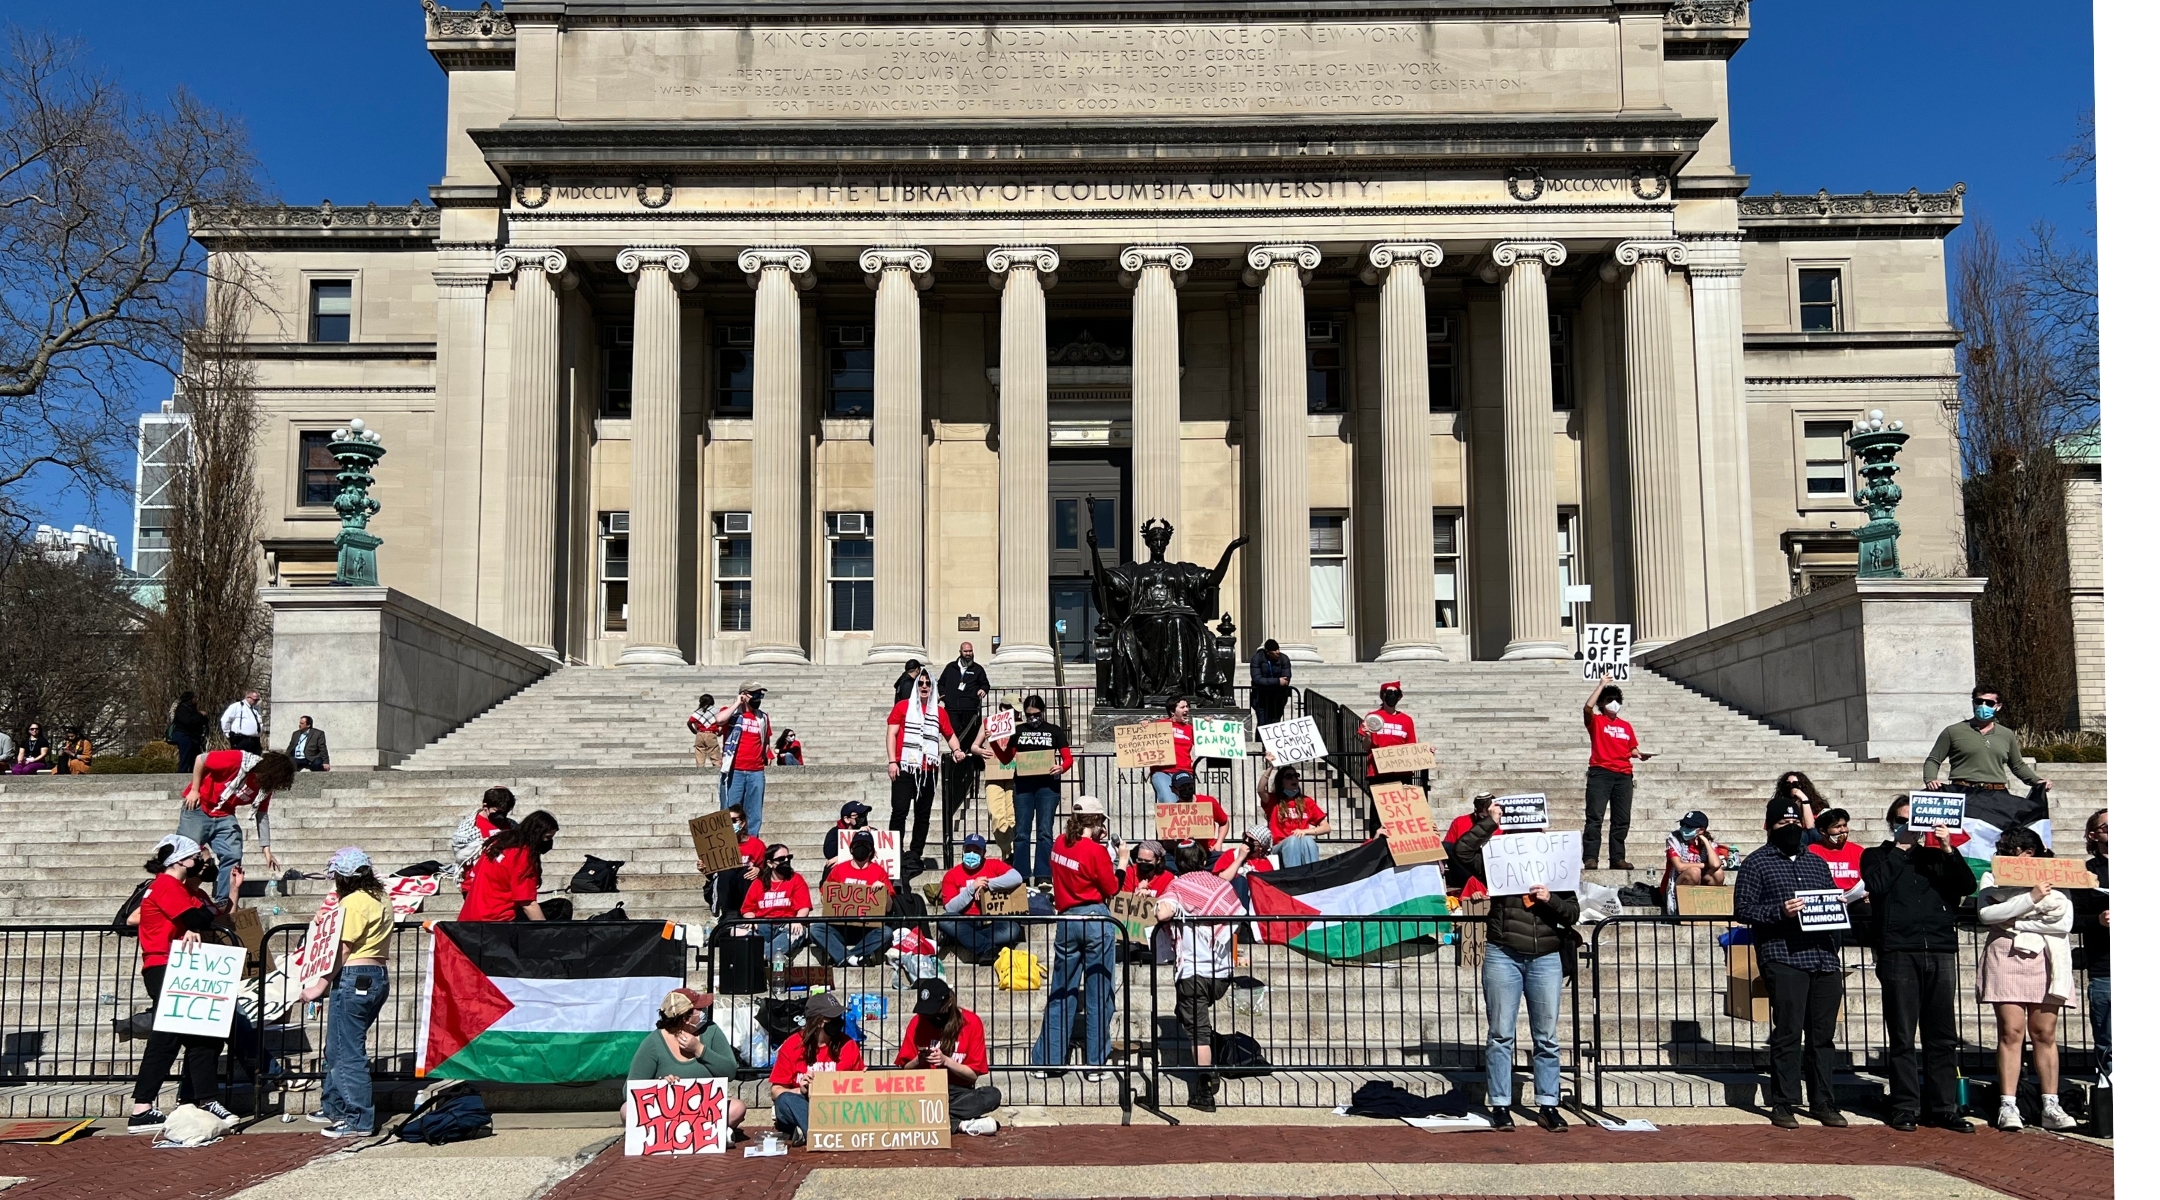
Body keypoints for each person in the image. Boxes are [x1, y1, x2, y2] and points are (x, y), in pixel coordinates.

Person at [1451, 807, 1575, 1133]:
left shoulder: (1556, 866)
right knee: (1500, 1034)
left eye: (1535, 833)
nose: (1529, 838)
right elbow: (1462, 851)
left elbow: (1572, 913)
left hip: (1546, 956)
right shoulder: (1498, 862)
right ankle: (1501, 1104)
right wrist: (1491, 822)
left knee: (1546, 1037)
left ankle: (1549, 1104)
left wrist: (1550, 899)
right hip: (1503, 954)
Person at [1859, 799, 1978, 1133]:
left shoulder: (1936, 855)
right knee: (1902, 1035)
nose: (1907, 825)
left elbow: (1967, 887)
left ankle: (1943, 1106)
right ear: (1891, 822)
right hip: (1898, 950)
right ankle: (1904, 1105)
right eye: (1901, 820)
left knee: (1942, 1036)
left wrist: (1946, 848)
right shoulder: (1877, 854)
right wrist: (1900, 847)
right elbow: (1876, 885)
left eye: (1914, 821)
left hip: (1939, 947)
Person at [1734, 796, 1850, 1129]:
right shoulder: (1756, 863)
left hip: (1823, 957)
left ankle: (1823, 1101)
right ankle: (1783, 1102)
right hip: (1783, 955)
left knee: (1823, 1036)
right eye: (1784, 824)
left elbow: (1830, 901)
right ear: (1768, 826)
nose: (1791, 829)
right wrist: (1779, 912)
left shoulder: (1816, 862)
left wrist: (1840, 904)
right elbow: (1743, 909)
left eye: (1796, 824)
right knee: (1787, 1032)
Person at [125, 835, 238, 1133]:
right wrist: (196, 922)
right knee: (168, 1036)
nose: (200, 863)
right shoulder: (166, 885)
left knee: (202, 1033)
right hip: (164, 964)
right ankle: (143, 1107)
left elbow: (203, 914)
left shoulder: (171, 886)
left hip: (174, 964)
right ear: (181, 861)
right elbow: (197, 915)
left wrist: (200, 919)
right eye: (195, 858)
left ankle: (203, 1099)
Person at [1975, 825, 2076, 1132]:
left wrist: (2014, 918)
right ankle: (2008, 1103)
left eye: (2009, 850)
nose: (2002, 856)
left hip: (2047, 957)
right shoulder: (1992, 876)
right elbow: (1987, 915)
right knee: (2011, 1031)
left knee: (2044, 1032)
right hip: (2006, 956)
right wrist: (2031, 899)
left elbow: (2064, 921)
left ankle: (2050, 1104)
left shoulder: (2057, 875)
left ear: (2029, 854)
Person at [301, 847, 393, 1138]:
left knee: (346, 1051)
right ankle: (335, 1105)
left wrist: (320, 984)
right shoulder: (380, 898)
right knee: (339, 1046)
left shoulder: (353, 902)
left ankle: (358, 1118)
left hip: (354, 976)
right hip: (376, 975)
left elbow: (343, 946)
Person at [1030, 796, 1119, 1078]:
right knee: (1098, 993)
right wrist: (1123, 860)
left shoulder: (1059, 842)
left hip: (1067, 919)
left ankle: (1048, 1062)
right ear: (1097, 822)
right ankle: (1095, 1064)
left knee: (1061, 992)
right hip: (1095, 918)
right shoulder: (1096, 852)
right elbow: (1112, 886)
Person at [1156, 843, 1243, 1111]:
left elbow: (1163, 913)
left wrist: (1162, 904)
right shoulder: (1220, 885)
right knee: (1187, 1015)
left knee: (1198, 1031)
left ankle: (1205, 1087)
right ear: (1204, 859)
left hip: (1194, 970)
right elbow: (1236, 915)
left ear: (1178, 862)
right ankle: (1210, 1058)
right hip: (1221, 971)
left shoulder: (1178, 885)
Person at [623, 988, 750, 1146]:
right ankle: (701, 1134)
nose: (704, 1012)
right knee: (626, 1109)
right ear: (685, 1017)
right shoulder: (654, 1042)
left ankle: (693, 1134)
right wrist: (659, 1086)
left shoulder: (711, 1031)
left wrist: (699, 1049)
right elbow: (629, 1090)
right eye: (699, 1009)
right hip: (667, 1113)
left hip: (704, 1109)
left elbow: (730, 1071)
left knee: (737, 1108)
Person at [180, 748, 295, 904]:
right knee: (186, 855)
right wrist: (194, 789)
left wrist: (266, 850)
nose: (273, 787)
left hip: (224, 814)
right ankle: (176, 893)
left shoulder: (264, 789)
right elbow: (201, 759)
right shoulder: (238, 760)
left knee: (233, 854)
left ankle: (224, 902)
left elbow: (262, 815)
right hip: (200, 806)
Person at [895, 978, 1003, 1136]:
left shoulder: (971, 1023)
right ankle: (961, 1125)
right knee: (900, 1102)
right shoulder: (918, 1022)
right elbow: (904, 1068)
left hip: (957, 1093)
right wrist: (919, 1060)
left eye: (935, 1010)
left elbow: (972, 1076)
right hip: (925, 1090)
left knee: (992, 1095)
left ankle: (932, 1116)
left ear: (949, 1003)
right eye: (927, 1011)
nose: (930, 1016)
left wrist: (947, 1061)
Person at [986, 695, 1072, 887]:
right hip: (1023, 787)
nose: (1033, 718)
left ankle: (1043, 874)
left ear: (1043, 712)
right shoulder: (1018, 730)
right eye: (1029, 715)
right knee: (1022, 832)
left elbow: (1068, 758)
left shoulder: (1054, 731)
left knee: (1044, 831)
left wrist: (1062, 768)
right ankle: (1021, 874)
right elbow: (1006, 758)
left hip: (1047, 788)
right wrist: (993, 741)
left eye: (1036, 714)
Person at [1923, 684, 2049, 805]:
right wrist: (1930, 779)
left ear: (1998, 706)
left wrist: (2036, 781)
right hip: (1963, 792)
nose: (1983, 706)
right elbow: (1933, 759)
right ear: (1973, 703)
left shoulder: (2006, 734)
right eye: (1979, 701)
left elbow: (2017, 765)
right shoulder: (1953, 731)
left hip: (1997, 794)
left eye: (1989, 703)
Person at [768, 991, 864, 1146]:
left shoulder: (848, 1045)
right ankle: (821, 1134)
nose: (838, 1021)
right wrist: (801, 1090)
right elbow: (775, 1091)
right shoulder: (792, 1045)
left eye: (838, 1017)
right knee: (785, 1100)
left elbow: (860, 1086)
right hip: (803, 1104)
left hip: (837, 1106)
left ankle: (809, 1133)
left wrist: (864, 1080)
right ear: (819, 1021)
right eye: (832, 1018)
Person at [887, 672, 960, 864]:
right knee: (899, 811)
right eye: (921, 683)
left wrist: (957, 750)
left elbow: (950, 735)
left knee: (923, 814)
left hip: (928, 770)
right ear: (916, 685)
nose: (924, 686)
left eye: (928, 683)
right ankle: (894, 852)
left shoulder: (939, 712)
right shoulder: (903, 707)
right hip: (905, 766)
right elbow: (891, 734)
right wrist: (892, 761)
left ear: (933, 686)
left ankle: (915, 853)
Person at [1581, 672, 1650, 870]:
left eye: (1617, 700)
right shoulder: (1597, 721)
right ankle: (1590, 857)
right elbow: (1587, 707)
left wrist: (1639, 754)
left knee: (1622, 819)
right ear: (1602, 703)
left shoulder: (1626, 725)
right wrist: (1602, 685)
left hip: (1623, 774)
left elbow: (1632, 748)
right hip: (1600, 772)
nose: (1614, 703)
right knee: (1595, 817)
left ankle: (1617, 858)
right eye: (1610, 700)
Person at [808, 830, 896, 966]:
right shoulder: (839, 869)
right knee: (815, 929)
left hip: (866, 929)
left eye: (865, 845)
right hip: (840, 927)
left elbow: (889, 907)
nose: (861, 847)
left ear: (871, 850)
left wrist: (883, 890)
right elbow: (825, 898)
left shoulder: (879, 871)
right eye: (858, 844)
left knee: (886, 933)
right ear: (851, 848)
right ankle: (853, 958)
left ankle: (844, 957)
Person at [458, 810, 559, 921]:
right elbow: (527, 903)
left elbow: (468, 882)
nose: (549, 842)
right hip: (497, 921)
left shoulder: (497, 844)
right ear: (536, 834)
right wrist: (545, 933)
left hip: (470, 917)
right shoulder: (522, 856)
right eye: (547, 838)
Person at [939, 833, 1026, 962]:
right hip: (965, 921)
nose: (971, 854)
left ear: (984, 852)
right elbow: (950, 908)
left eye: (976, 850)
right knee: (945, 920)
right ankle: (986, 947)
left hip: (991, 921)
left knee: (1012, 929)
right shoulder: (951, 875)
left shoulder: (994, 864)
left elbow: (1017, 877)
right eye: (968, 850)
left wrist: (988, 884)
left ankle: (964, 939)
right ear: (963, 850)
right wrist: (972, 888)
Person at [2070, 810, 2109, 1080]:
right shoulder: (2085, 872)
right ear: (2093, 835)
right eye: (2108, 826)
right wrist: (2098, 920)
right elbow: (2072, 920)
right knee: (2109, 1043)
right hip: (2106, 968)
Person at [714, 683, 777, 836]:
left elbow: (766, 740)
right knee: (729, 811)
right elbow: (719, 720)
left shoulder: (762, 717)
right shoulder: (731, 713)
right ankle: (729, 844)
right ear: (743, 694)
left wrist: (766, 755)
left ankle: (751, 843)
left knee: (754, 814)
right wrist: (737, 703)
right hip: (735, 770)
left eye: (760, 695)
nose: (758, 698)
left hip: (756, 771)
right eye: (754, 695)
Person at [937, 642, 992, 812]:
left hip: (970, 708)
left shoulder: (977, 669)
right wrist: (944, 695)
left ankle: (972, 763)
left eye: (970, 651)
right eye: (965, 651)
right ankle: (959, 760)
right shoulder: (950, 668)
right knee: (955, 735)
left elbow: (985, 684)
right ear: (960, 651)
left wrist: (983, 690)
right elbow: (941, 683)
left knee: (971, 736)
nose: (968, 653)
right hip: (952, 708)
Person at [742, 845, 812, 962]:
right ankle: (773, 953)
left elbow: (804, 907)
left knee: (797, 932)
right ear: (769, 863)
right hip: (764, 925)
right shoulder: (759, 883)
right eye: (781, 859)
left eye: (788, 858)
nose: (785, 861)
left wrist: (797, 920)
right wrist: (751, 920)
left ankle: (760, 956)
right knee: (736, 930)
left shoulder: (796, 878)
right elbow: (747, 909)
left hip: (788, 924)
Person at [1257, 755, 1328, 868]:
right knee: (1292, 841)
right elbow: (1260, 790)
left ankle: (1314, 877)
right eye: (1289, 776)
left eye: (1296, 775)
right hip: (1280, 847)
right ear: (1281, 781)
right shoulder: (1274, 800)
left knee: (1308, 841)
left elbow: (1326, 827)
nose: (1294, 779)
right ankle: (1294, 878)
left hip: (1302, 843)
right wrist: (1270, 767)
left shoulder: (1307, 801)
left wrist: (1305, 831)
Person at [452, 786, 518, 893]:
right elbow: (462, 854)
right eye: (497, 811)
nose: (501, 816)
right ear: (485, 806)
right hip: (475, 885)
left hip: (504, 885)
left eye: (505, 812)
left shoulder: (512, 825)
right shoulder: (469, 827)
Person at [1357, 680, 1420, 788]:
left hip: (1402, 772)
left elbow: (1411, 746)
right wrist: (1367, 735)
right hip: (1378, 771)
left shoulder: (1407, 719)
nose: (1392, 696)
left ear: (1399, 697)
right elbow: (1366, 747)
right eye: (1389, 692)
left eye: (1396, 693)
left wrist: (1426, 752)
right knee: (1377, 805)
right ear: (1383, 695)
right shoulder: (1373, 717)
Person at [1659, 811, 1727, 902]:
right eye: (1682, 824)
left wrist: (1706, 842)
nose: (1683, 828)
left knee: (1718, 873)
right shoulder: (1674, 839)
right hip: (1675, 885)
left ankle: (1707, 902)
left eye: (1689, 826)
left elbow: (1715, 865)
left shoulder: (1709, 843)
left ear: (1701, 830)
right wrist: (1705, 865)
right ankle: (1686, 906)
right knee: (1694, 872)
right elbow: (1679, 866)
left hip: (1700, 883)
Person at [1148, 697, 1198, 806]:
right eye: (1182, 707)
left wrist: (1208, 725)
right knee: (1169, 804)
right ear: (1172, 711)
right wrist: (1144, 726)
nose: (1187, 709)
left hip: (1184, 772)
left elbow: (1205, 742)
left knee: (1186, 805)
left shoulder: (1190, 729)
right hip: (1162, 771)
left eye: (1187, 706)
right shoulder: (1159, 725)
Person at [1165, 770, 1229, 850]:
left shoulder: (1208, 802)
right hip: (1185, 853)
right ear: (1173, 789)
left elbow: (1224, 822)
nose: (1186, 789)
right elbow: (1167, 843)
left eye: (1189, 785)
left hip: (1208, 850)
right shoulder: (1171, 811)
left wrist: (1219, 843)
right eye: (1182, 787)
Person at [1249, 638, 1294, 727]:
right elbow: (1257, 679)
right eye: (1274, 650)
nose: (1277, 652)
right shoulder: (1257, 659)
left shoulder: (1284, 659)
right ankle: (1260, 741)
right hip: (1260, 697)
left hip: (1278, 697)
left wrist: (1278, 682)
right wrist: (1277, 681)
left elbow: (1285, 679)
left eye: (1278, 649)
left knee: (1275, 722)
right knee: (1262, 723)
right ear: (1267, 652)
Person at [822, 800, 874, 870]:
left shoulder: (872, 832)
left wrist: (863, 835)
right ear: (847, 819)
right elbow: (830, 855)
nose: (863, 817)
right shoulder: (834, 834)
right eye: (858, 815)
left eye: (865, 814)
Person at [167, 693, 210, 774]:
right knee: (186, 749)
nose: (196, 700)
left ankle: (194, 770)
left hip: (193, 736)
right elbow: (188, 721)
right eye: (195, 698)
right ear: (190, 699)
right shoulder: (182, 709)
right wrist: (200, 715)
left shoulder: (192, 710)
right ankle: (182, 771)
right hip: (182, 734)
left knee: (195, 752)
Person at [687, 693, 723, 768]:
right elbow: (722, 722)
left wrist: (694, 731)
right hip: (711, 734)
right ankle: (717, 769)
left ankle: (700, 769)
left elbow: (689, 722)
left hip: (700, 734)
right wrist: (720, 732)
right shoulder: (716, 711)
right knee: (714, 753)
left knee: (700, 753)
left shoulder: (698, 712)